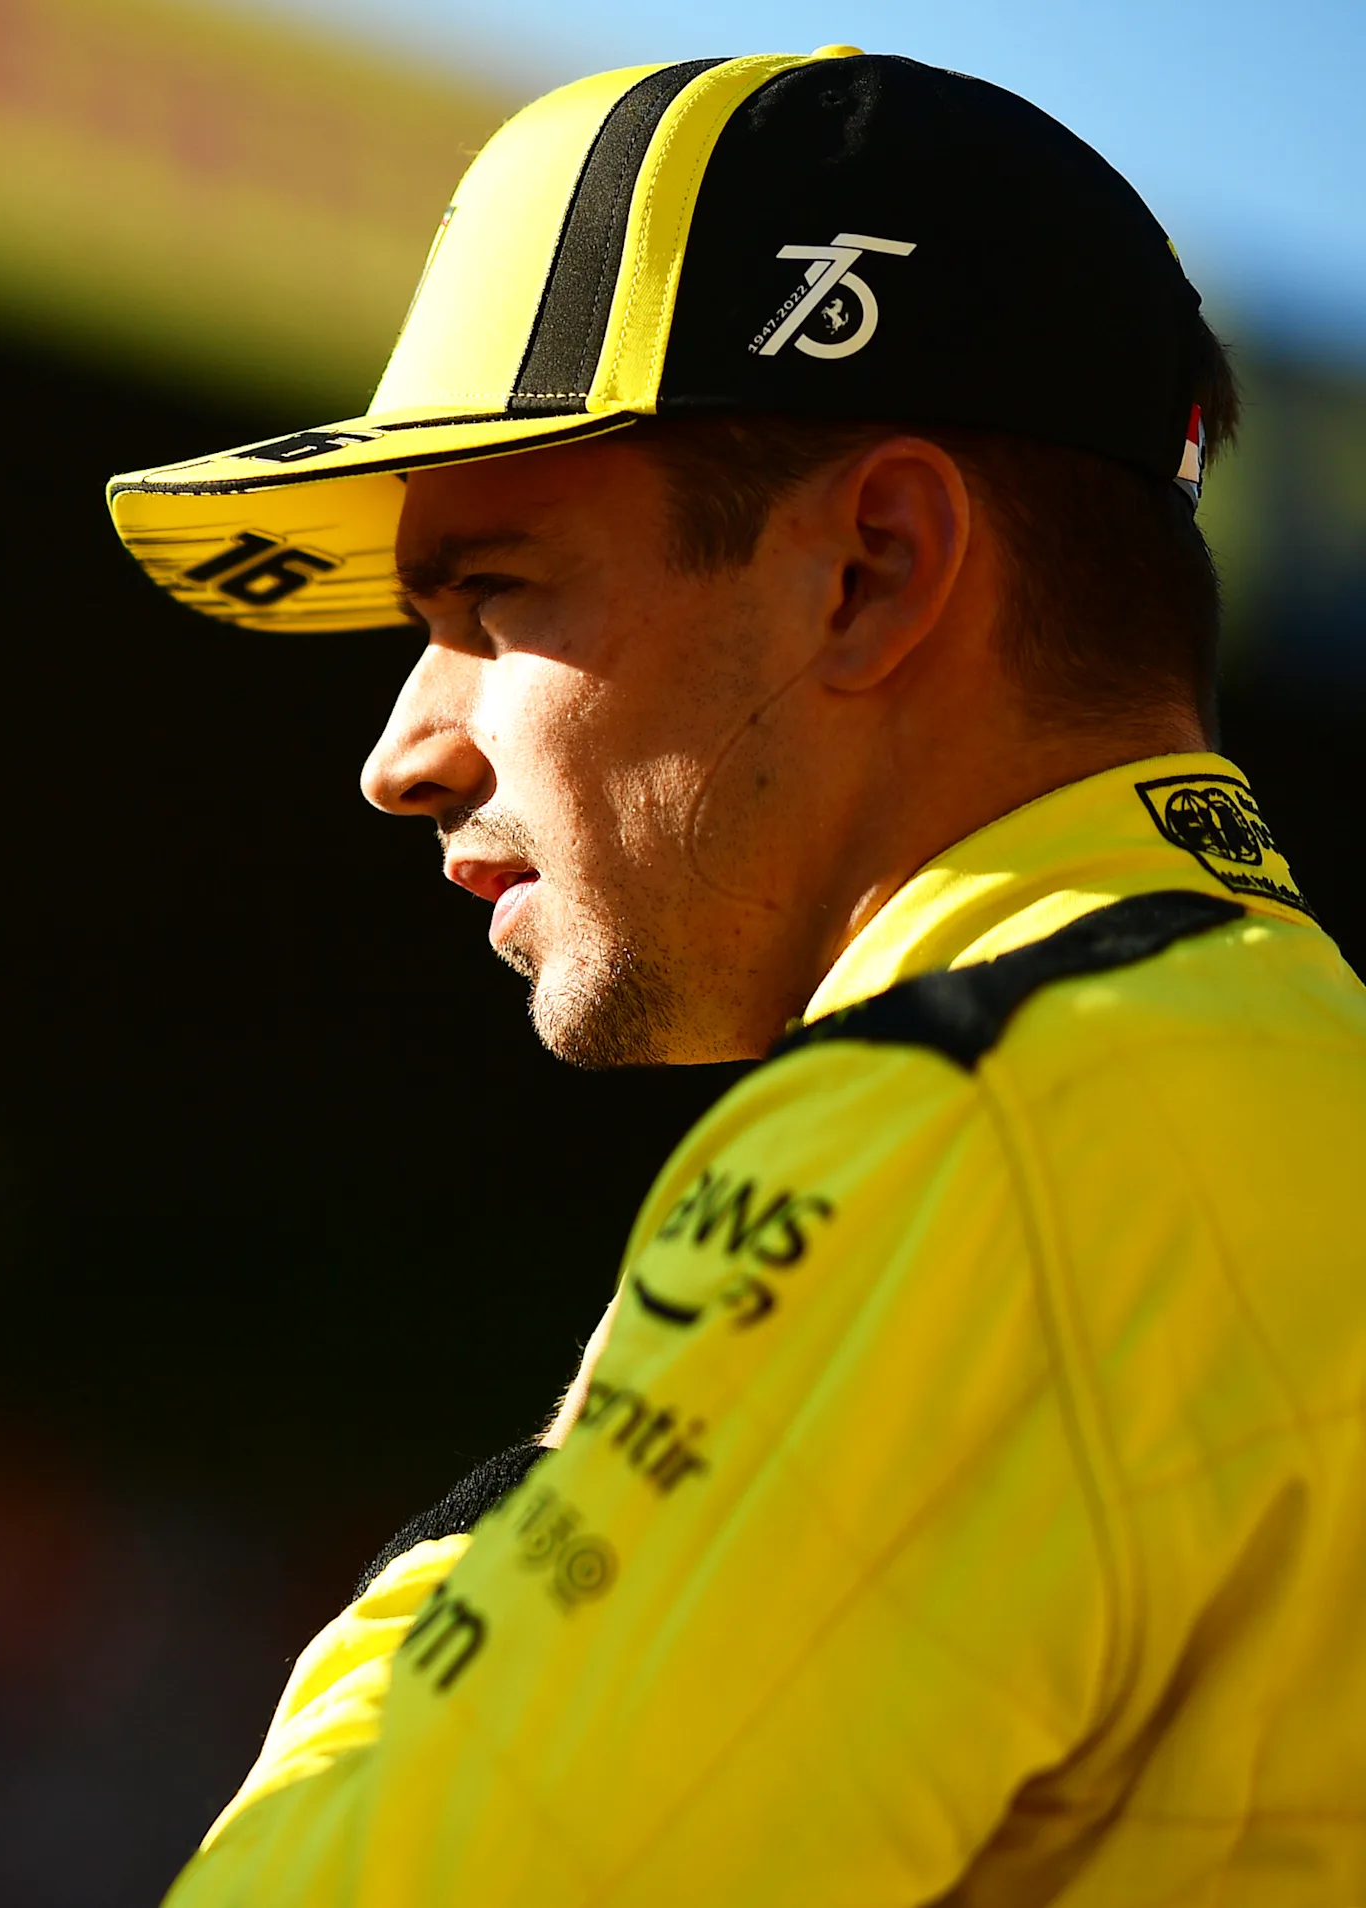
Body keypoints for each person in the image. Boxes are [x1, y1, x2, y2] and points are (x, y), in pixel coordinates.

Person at [105, 48, 1366, 1904]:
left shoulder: (988, 1130)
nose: (405, 747)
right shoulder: (1281, 1083)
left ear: (871, 565)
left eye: (493, 599)